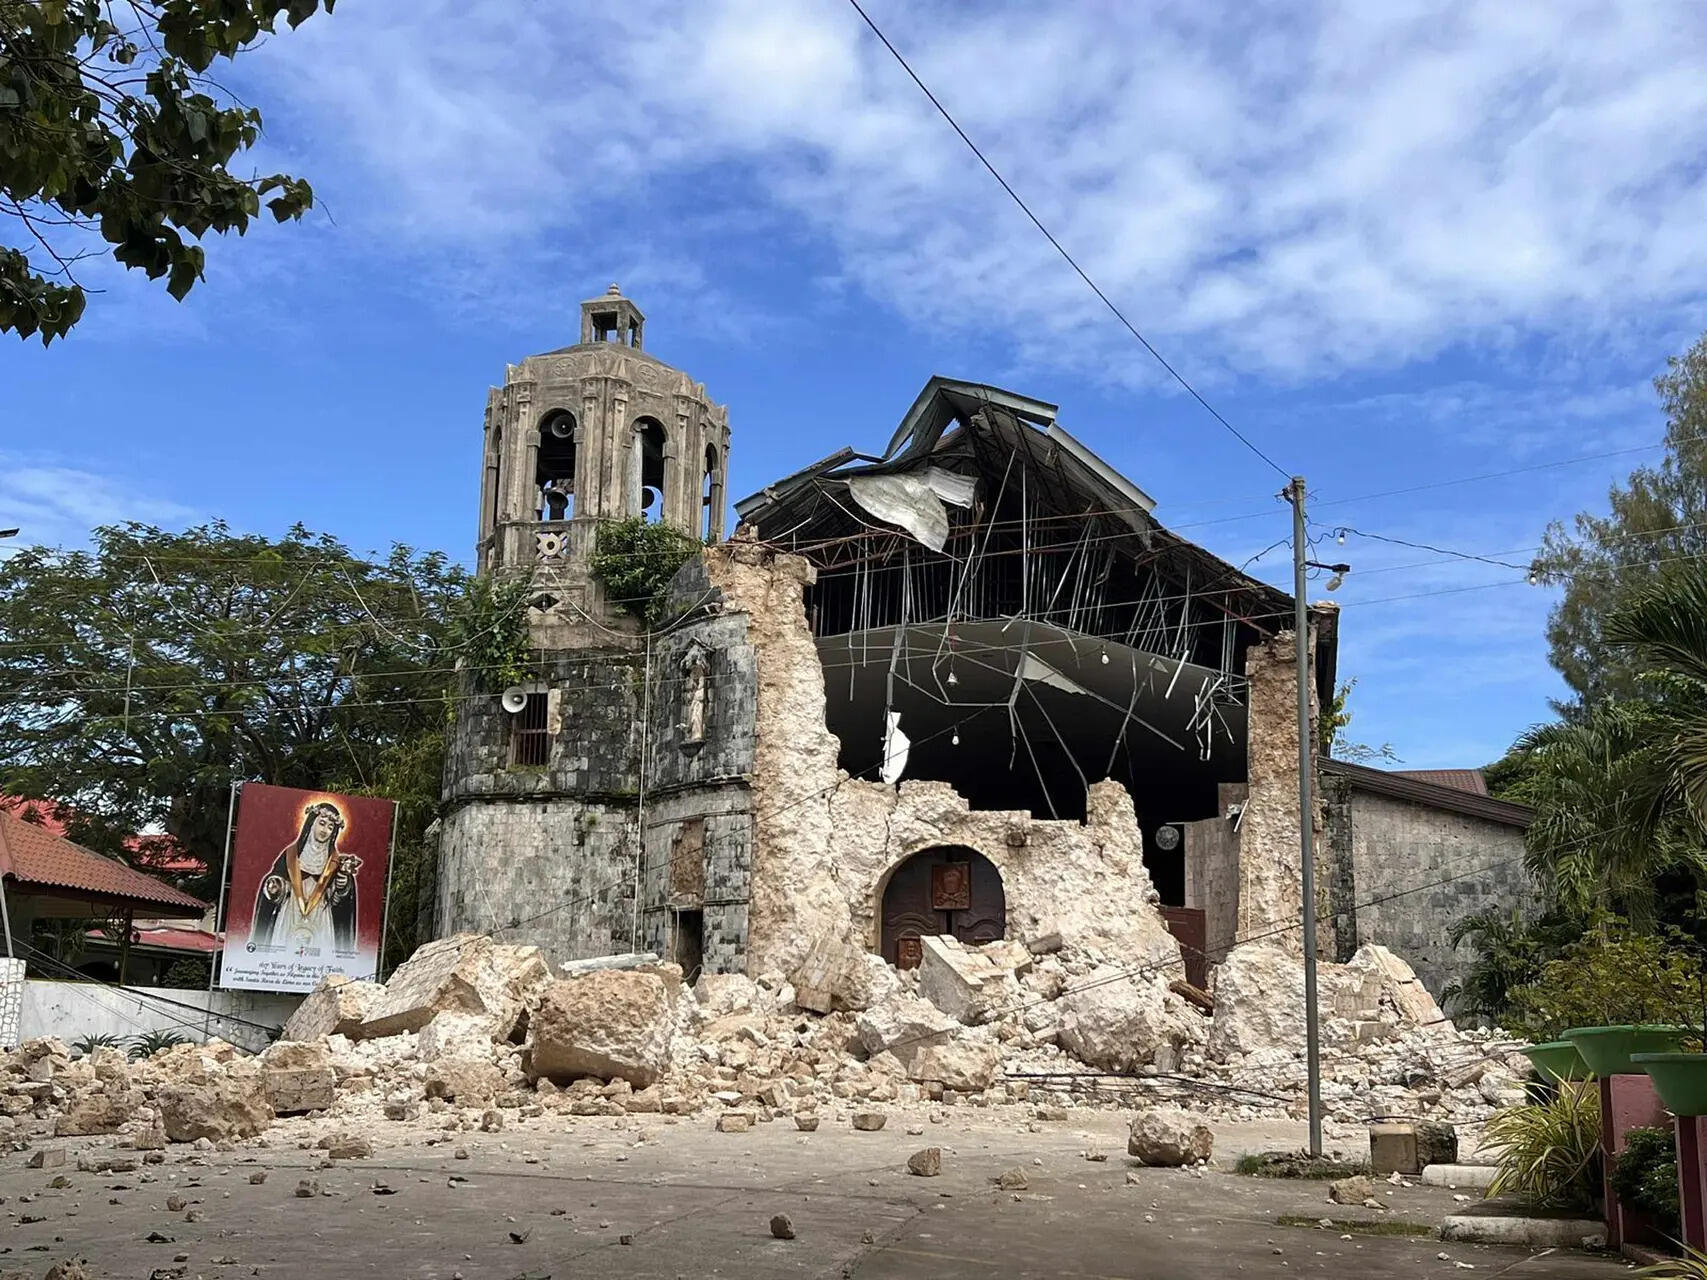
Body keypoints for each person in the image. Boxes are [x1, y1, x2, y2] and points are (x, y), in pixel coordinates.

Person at [251, 802, 361, 958]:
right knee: (283, 951)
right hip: (291, 911)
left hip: (321, 915)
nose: (325, 830)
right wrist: (277, 886)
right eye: (322, 823)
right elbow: (276, 881)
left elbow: (340, 902)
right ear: (311, 823)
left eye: (330, 827)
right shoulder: (291, 854)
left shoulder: (336, 861)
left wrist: (342, 887)